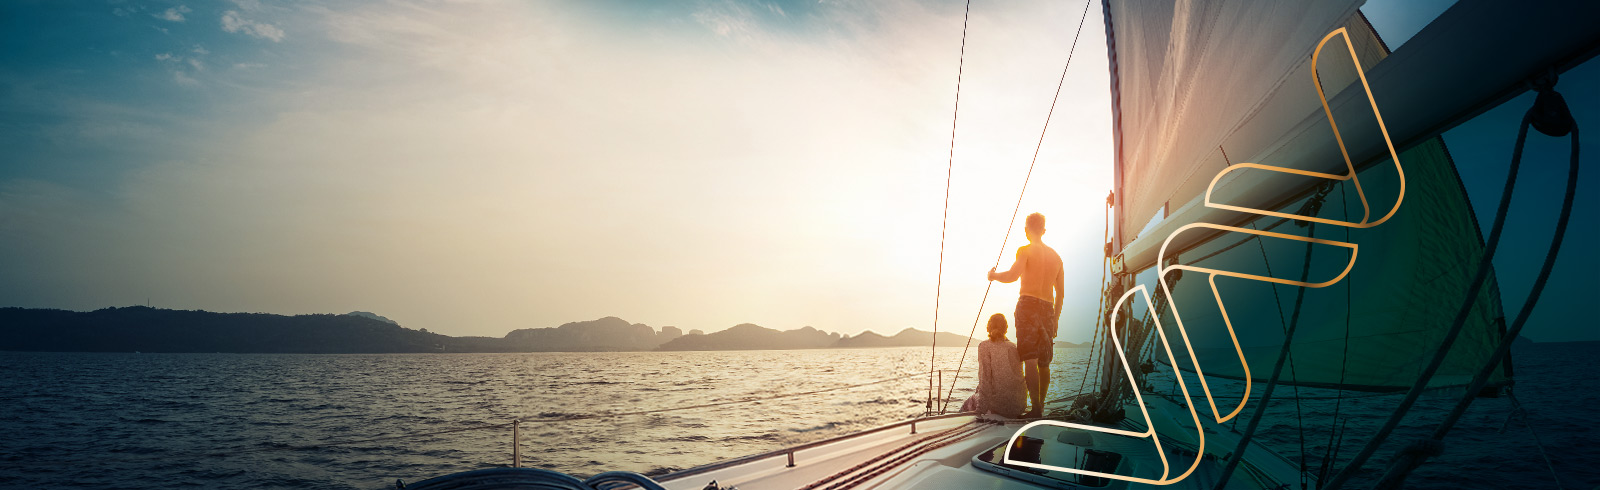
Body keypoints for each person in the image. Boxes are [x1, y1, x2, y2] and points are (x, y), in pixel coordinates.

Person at [987, 212, 1063, 418]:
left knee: (1030, 359)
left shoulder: (1025, 250)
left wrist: (993, 276)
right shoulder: (1057, 258)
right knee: (1044, 362)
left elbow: (1012, 276)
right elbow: (1061, 293)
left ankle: (1035, 408)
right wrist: (1055, 319)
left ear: (1026, 230)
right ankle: (1040, 406)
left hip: (1028, 305)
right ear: (1044, 230)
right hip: (1048, 308)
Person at [959, 313, 1027, 417]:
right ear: (1005, 328)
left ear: (988, 326)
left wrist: (980, 410)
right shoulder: (1014, 347)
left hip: (998, 407)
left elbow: (985, 380)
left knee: (969, 402)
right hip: (1018, 406)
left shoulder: (984, 346)